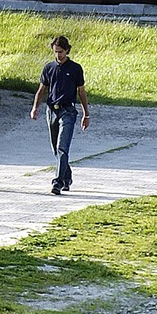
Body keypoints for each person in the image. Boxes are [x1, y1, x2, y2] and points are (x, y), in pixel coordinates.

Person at [30, 34, 89, 195]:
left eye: (61, 52)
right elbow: (41, 89)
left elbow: (81, 92)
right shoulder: (49, 68)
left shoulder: (76, 68)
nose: (58, 55)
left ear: (67, 50)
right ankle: (67, 177)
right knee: (55, 149)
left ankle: (57, 182)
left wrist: (86, 114)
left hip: (68, 111)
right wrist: (35, 107)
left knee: (62, 147)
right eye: (56, 52)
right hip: (52, 110)